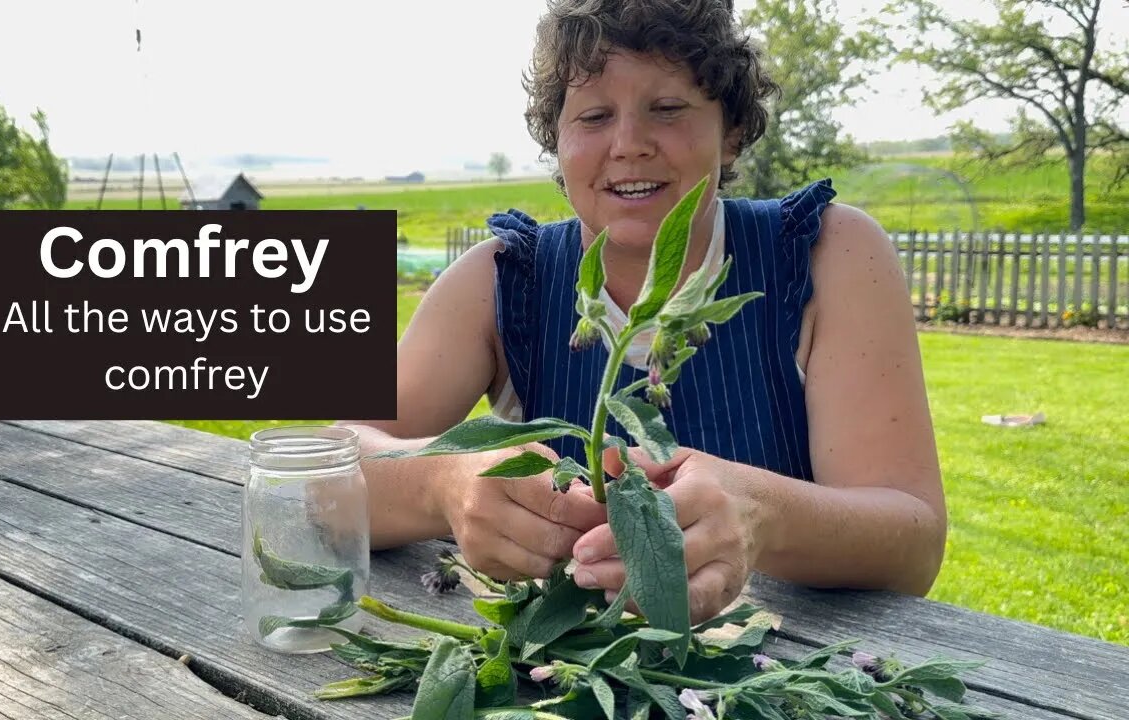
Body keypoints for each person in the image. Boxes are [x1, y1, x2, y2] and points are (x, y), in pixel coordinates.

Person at [338, 0, 946, 623]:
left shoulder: (825, 255)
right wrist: (445, 483)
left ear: (730, 129)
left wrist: (762, 515)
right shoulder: (501, 278)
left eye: (668, 109)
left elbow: (914, 541)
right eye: (594, 116)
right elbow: (327, 457)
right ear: (558, 140)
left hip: (772, 672)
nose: (628, 145)